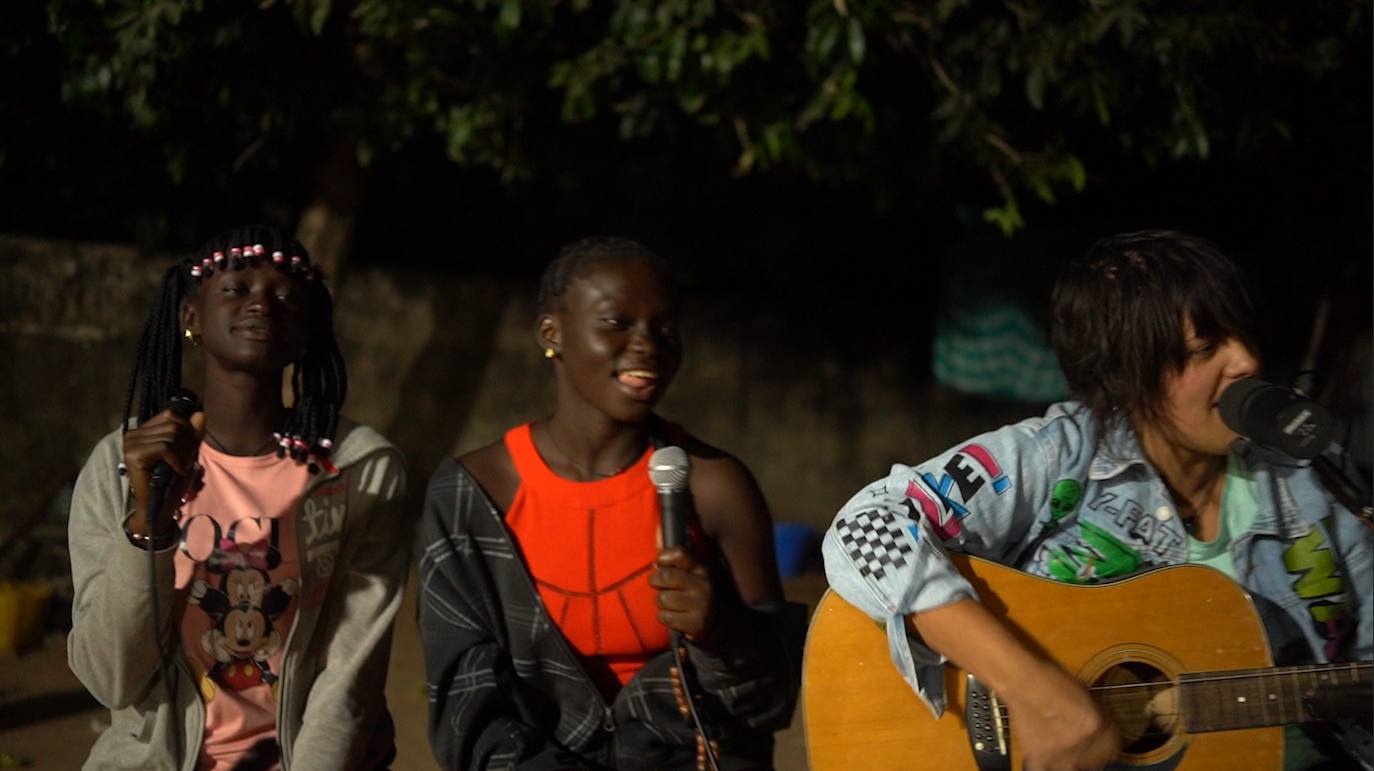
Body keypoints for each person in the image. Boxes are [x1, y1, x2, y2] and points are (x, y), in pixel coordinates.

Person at [822, 230, 1372, 770]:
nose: (1247, 360)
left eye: (1241, 335)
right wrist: (1036, 691)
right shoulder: (1059, 456)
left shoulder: (1313, 473)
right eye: (1206, 348)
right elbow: (864, 528)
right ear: (1131, 378)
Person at [418, 237, 804, 769]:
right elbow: (467, 710)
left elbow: (776, 698)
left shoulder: (715, 487)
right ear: (551, 333)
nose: (647, 344)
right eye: (617, 322)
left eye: (664, 328)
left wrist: (724, 631)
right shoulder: (473, 494)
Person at [68, 225, 411, 769]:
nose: (261, 303)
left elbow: (349, 674)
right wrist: (148, 523)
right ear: (190, 319)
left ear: (306, 331)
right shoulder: (123, 463)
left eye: (283, 295)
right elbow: (109, 677)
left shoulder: (358, 470)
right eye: (235, 288)